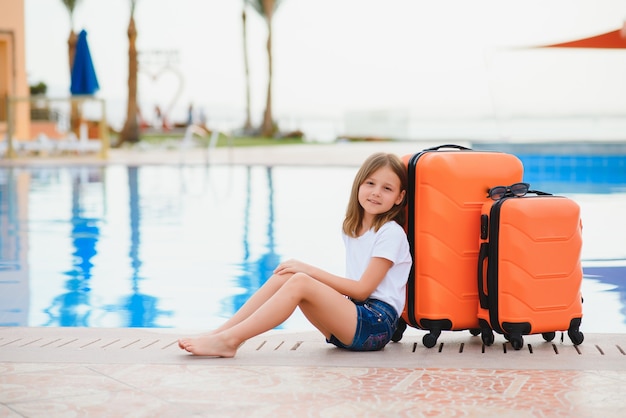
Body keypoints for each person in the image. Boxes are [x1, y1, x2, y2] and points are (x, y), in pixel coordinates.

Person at [178, 152, 412, 357]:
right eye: (370, 183)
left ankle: (229, 342)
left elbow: (362, 290)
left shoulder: (390, 233)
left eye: (387, 188)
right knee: (288, 274)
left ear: (399, 198)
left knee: (300, 279)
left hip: (376, 326)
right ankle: (220, 333)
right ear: (359, 184)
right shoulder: (352, 227)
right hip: (352, 321)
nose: (376, 193)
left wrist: (309, 270)